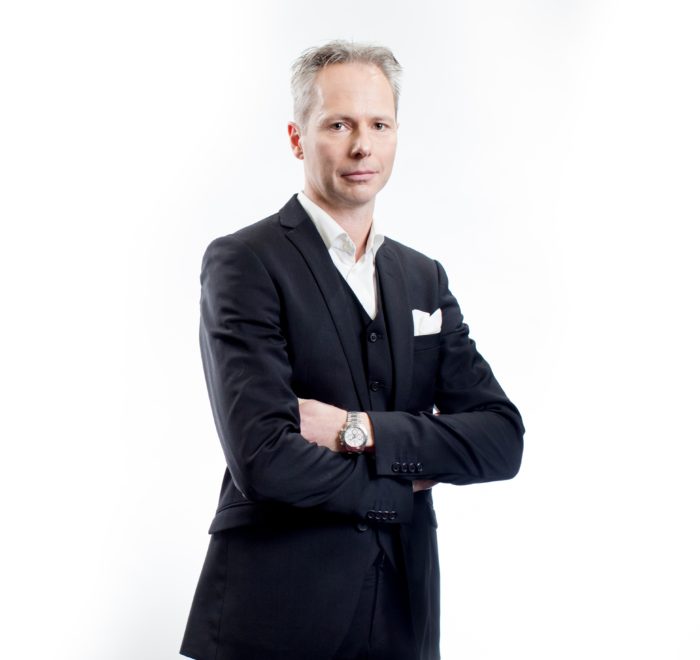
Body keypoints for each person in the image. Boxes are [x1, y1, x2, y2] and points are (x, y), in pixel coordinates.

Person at [180, 40, 524, 660]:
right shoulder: (245, 262)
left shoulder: (423, 278)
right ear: (297, 138)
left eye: (379, 125)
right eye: (339, 124)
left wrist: (354, 430)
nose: (363, 145)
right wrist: (407, 477)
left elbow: (501, 439)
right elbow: (264, 458)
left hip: (403, 617)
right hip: (275, 615)